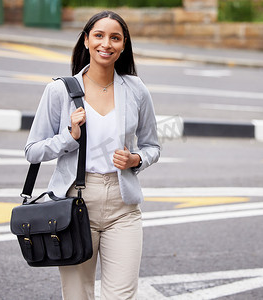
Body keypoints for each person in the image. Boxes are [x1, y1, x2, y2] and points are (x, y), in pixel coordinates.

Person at [25, 10, 160, 300]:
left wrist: (136, 160)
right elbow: (33, 150)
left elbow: (152, 146)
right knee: (77, 295)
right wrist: (69, 137)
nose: (106, 44)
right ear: (86, 40)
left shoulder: (136, 90)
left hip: (123, 205)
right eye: (98, 35)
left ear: (124, 46)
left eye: (115, 38)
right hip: (74, 203)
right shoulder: (59, 90)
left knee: (121, 295)